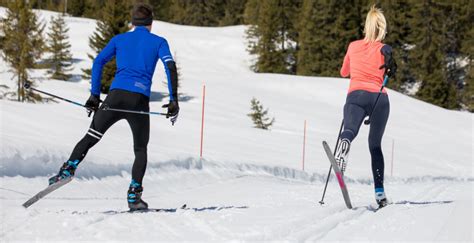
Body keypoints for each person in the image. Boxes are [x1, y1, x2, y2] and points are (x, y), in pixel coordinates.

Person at [48, 3, 179, 211]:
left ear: (133, 22)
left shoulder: (120, 39)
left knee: (91, 136)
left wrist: (94, 95)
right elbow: (170, 66)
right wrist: (173, 100)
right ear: (151, 24)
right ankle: (134, 195)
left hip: (115, 98)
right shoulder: (159, 42)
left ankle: (67, 169)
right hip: (139, 101)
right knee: (140, 149)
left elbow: (99, 61)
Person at [337, 5, 397, 207]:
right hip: (379, 100)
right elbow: (387, 54)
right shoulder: (384, 48)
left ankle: (344, 144)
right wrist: (388, 56)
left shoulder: (353, 46)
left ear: (366, 26)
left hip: (357, 96)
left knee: (350, 130)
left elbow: (344, 72)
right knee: (375, 146)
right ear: (382, 28)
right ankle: (379, 193)